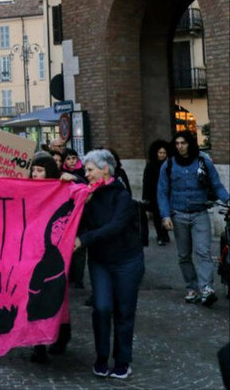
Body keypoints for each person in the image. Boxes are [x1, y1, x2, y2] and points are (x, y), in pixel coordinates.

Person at [76, 149, 144, 380]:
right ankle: (102, 357)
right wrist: (82, 204)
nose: (86, 174)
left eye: (90, 170)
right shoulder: (88, 195)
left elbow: (115, 227)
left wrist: (84, 240)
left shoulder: (122, 196)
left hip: (127, 261)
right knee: (102, 308)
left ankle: (123, 361)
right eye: (85, 170)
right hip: (100, 262)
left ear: (105, 169)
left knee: (124, 311)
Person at [157, 131, 229, 307]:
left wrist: (228, 200)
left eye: (183, 143)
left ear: (190, 144)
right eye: (177, 143)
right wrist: (165, 215)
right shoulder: (168, 165)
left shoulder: (203, 161)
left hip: (200, 212)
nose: (180, 146)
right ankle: (191, 288)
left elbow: (216, 184)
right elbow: (162, 192)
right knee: (183, 255)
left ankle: (207, 288)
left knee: (203, 251)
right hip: (178, 214)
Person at [27, 151, 72, 363]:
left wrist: (74, 179)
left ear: (50, 172)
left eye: (40, 170)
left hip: (54, 254)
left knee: (56, 294)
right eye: (33, 170)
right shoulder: (26, 190)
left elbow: (83, 191)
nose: (35, 174)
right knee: (35, 295)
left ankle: (60, 335)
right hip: (31, 252)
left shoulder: (62, 189)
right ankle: (38, 344)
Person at [141, 140, 172, 245]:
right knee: (157, 216)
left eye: (164, 153)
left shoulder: (168, 165)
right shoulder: (150, 165)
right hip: (153, 194)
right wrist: (146, 196)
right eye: (160, 153)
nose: (162, 155)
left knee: (165, 214)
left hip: (166, 193)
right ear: (156, 153)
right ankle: (160, 235)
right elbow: (146, 181)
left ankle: (165, 233)